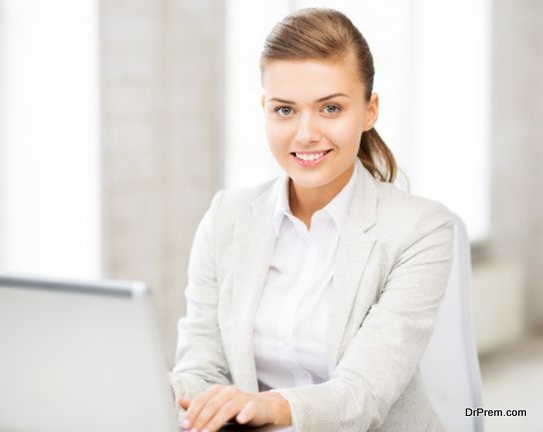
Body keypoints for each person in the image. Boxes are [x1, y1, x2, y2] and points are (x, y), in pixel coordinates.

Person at [168, 7, 454, 432]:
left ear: (370, 110)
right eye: (285, 110)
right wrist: (173, 391)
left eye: (331, 109)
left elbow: (364, 394)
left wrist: (270, 407)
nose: (305, 133)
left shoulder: (421, 230)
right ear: (264, 109)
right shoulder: (226, 217)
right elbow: (203, 365)